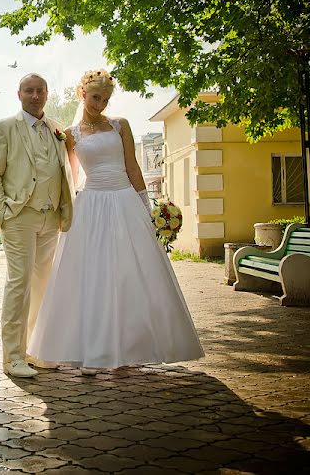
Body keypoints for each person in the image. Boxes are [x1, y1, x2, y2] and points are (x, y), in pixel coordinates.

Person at [28, 69, 203, 371]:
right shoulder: (70, 135)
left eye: (106, 99)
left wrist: (146, 205)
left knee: (130, 274)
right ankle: (93, 352)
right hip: (91, 204)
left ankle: (129, 349)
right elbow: (69, 178)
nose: (101, 105)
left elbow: (133, 166)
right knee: (92, 277)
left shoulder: (120, 125)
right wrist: (61, 210)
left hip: (124, 201)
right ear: (82, 94)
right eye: (96, 98)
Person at [0, 73, 74, 378]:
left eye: (40, 91)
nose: (35, 95)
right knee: (19, 284)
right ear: (19, 94)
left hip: (51, 217)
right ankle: (12, 357)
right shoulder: (4, 128)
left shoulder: (54, 129)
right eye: (29, 91)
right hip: (19, 216)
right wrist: (3, 212)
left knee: (42, 286)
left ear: (47, 94)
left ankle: (36, 350)